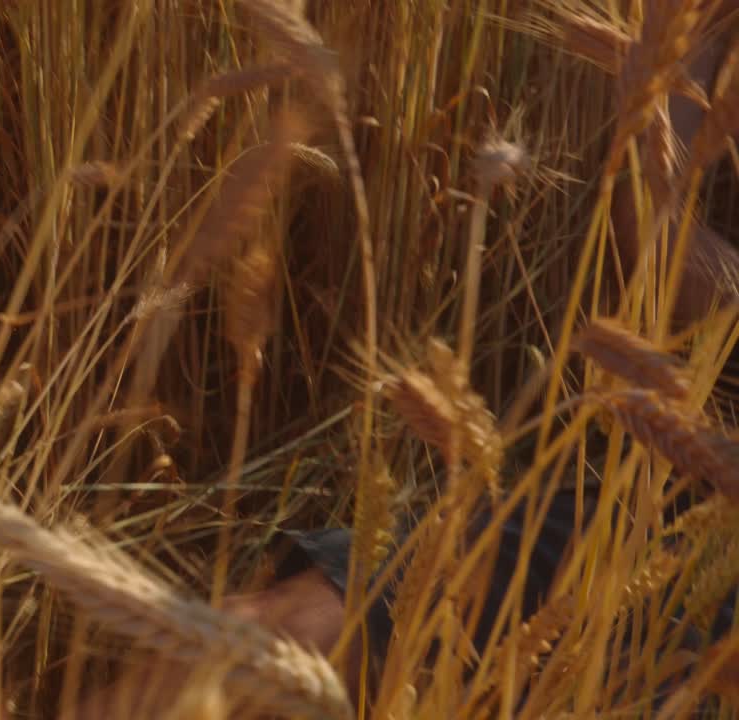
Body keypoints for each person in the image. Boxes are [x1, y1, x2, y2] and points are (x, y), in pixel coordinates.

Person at [70, 6, 739, 718]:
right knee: (282, 639)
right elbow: (669, 259)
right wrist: (674, 64)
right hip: (656, 493)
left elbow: (679, 263)